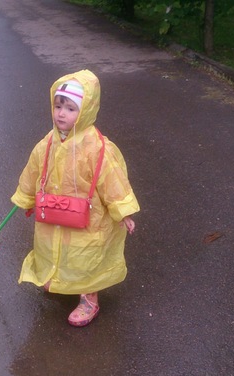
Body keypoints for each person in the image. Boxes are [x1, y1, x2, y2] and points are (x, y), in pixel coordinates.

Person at [11, 69, 140, 327]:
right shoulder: (48, 143)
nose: (61, 113)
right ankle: (60, 280)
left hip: (88, 217)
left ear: (86, 111)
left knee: (84, 257)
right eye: (58, 106)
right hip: (54, 212)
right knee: (56, 248)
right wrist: (26, 197)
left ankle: (88, 299)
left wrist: (123, 211)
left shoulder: (97, 148)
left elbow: (112, 179)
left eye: (70, 109)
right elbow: (33, 170)